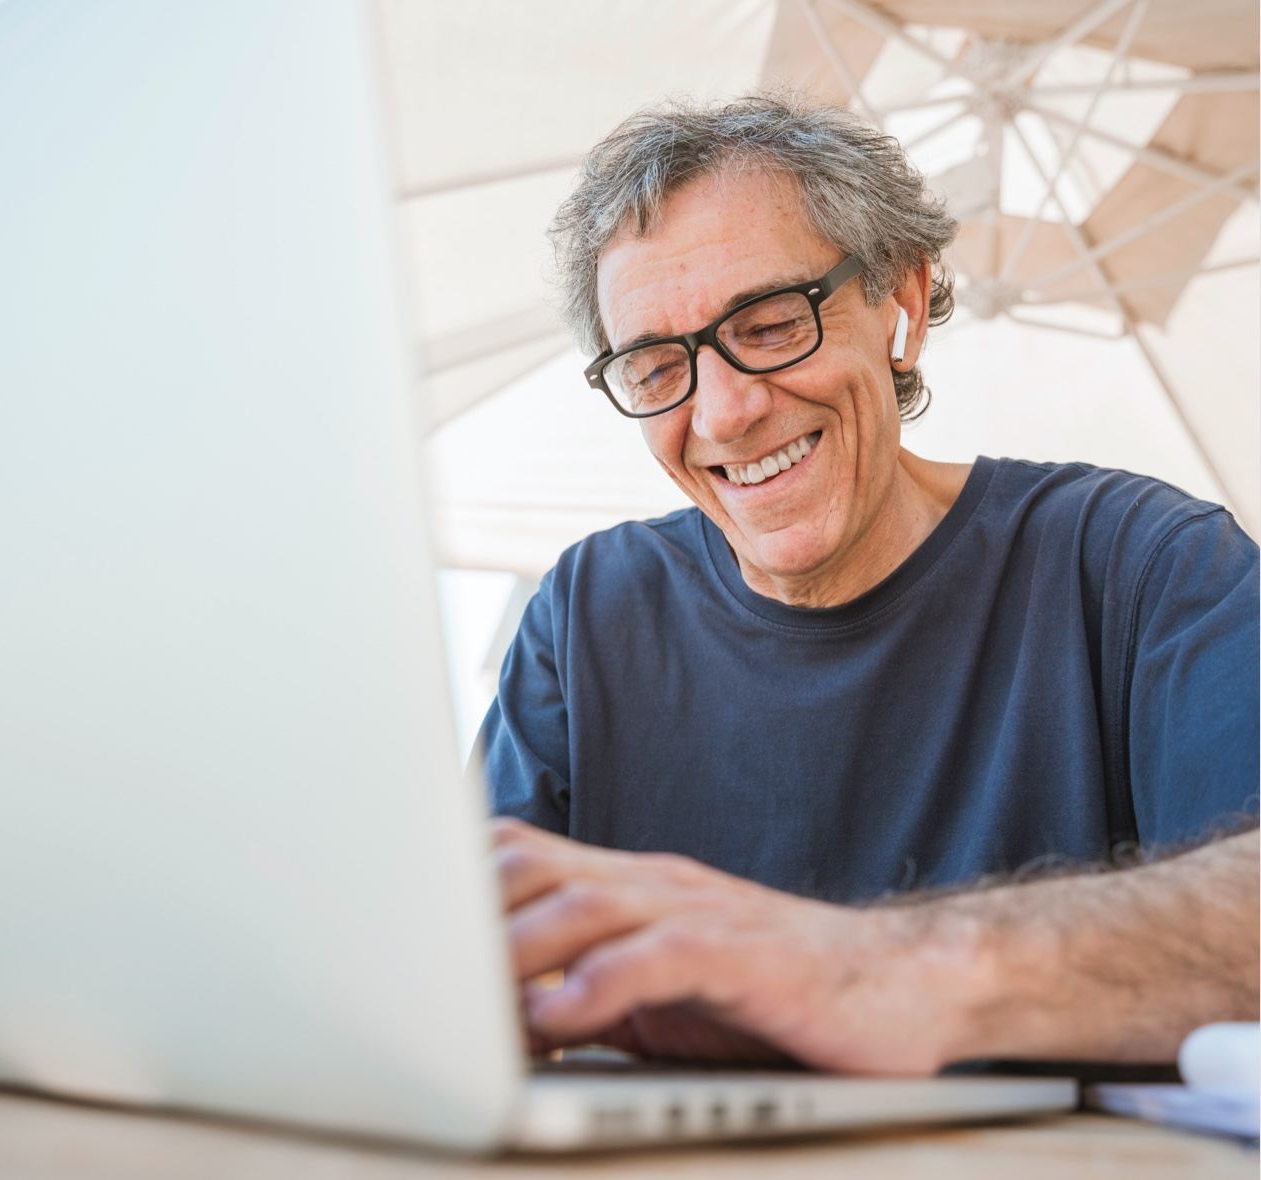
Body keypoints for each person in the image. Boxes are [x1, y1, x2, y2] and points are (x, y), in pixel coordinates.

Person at [475, 93, 1259, 1073]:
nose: (721, 413)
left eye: (767, 324)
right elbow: (459, 960)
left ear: (903, 303)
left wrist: (866, 969)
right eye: (655, 365)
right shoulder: (587, 614)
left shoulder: (1147, 565)